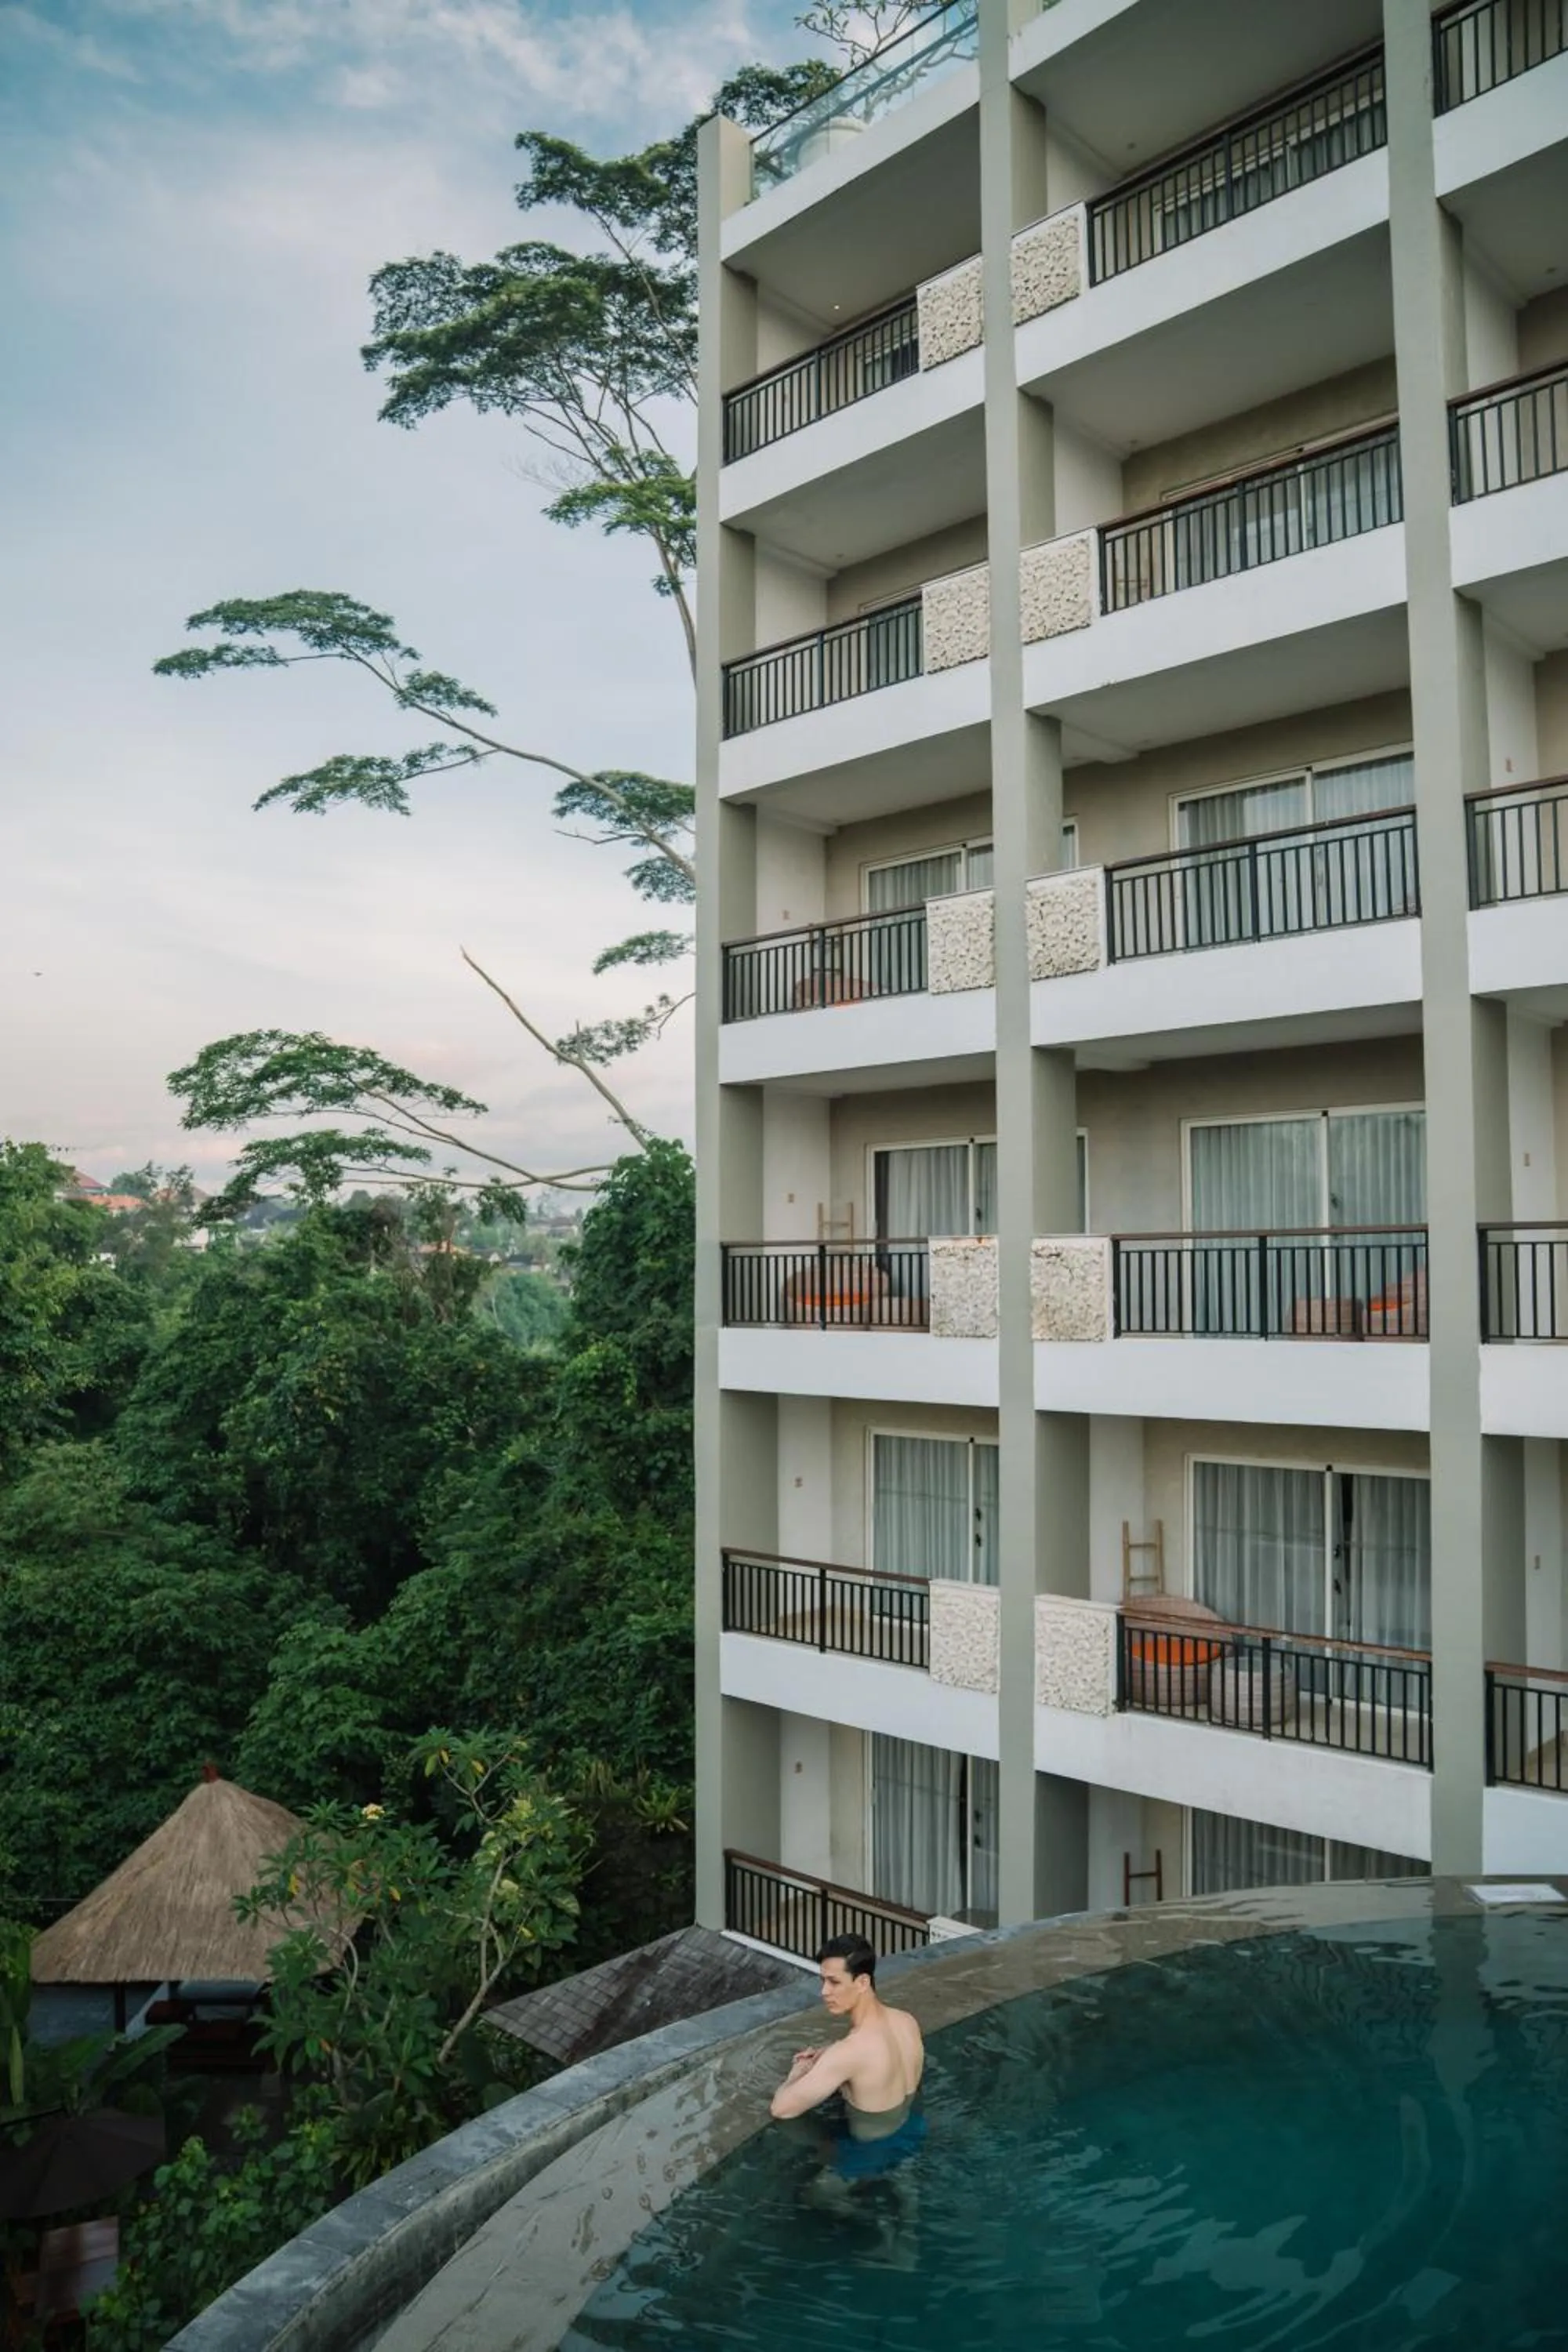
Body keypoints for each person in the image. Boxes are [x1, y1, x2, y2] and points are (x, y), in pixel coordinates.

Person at [769, 1933, 926, 2182]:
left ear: (862, 1982)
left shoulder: (849, 2052)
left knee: (810, 2197)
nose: (824, 1991)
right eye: (823, 1981)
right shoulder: (906, 2021)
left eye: (834, 1982)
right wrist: (830, 2052)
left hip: (869, 2154)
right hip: (913, 2129)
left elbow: (781, 2109)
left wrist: (796, 2074)